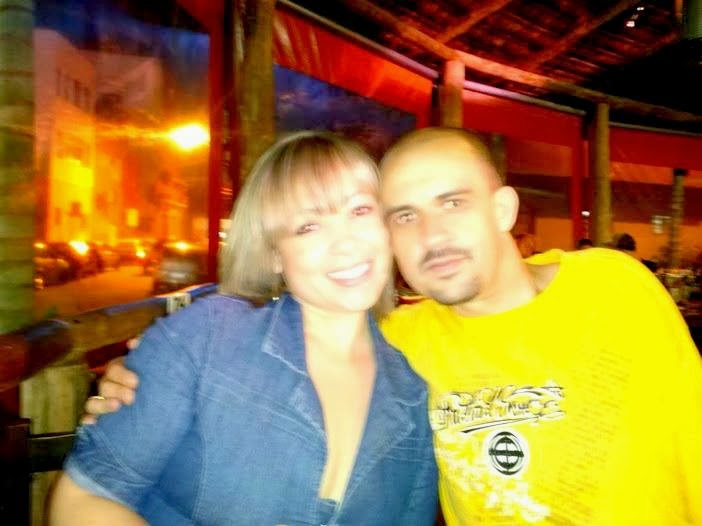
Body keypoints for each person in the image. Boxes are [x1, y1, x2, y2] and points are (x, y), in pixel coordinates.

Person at [86, 127, 702, 525]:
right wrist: (147, 379)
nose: (431, 235)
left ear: (503, 209)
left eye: (453, 203)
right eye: (403, 215)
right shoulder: (402, 344)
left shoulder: (613, 283)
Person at [49, 131, 438, 525]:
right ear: (273, 255)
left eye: (360, 211)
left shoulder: (413, 393)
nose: (346, 244)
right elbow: (81, 500)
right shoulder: (206, 339)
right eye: (308, 226)